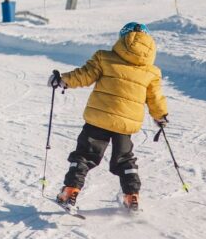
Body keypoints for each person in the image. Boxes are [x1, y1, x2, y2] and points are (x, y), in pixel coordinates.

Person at [50, 22, 168, 211]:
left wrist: (62, 80)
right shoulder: (152, 71)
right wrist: (160, 116)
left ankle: (70, 190)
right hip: (126, 125)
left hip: (99, 118)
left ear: (122, 39)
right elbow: (155, 98)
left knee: (85, 155)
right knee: (124, 160)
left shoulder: (104, 58)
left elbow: (84, 75)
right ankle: (132, 196)